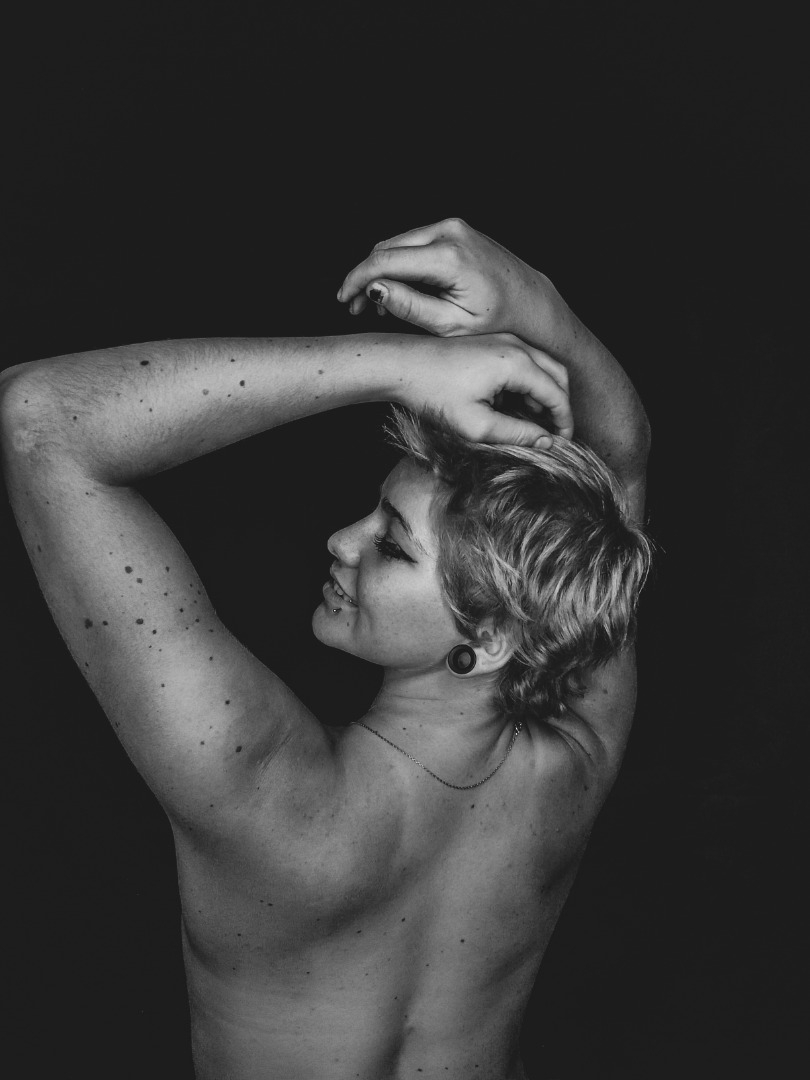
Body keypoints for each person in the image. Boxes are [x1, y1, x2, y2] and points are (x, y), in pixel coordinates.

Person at [0, 218, 651, 1080]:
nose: (342, 541)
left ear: (491, 636)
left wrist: (398, 366)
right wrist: (537, 303)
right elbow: (620, 466)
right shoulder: (579, 759)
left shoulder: (267, 788)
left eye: (392, 545)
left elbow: (42, 419)